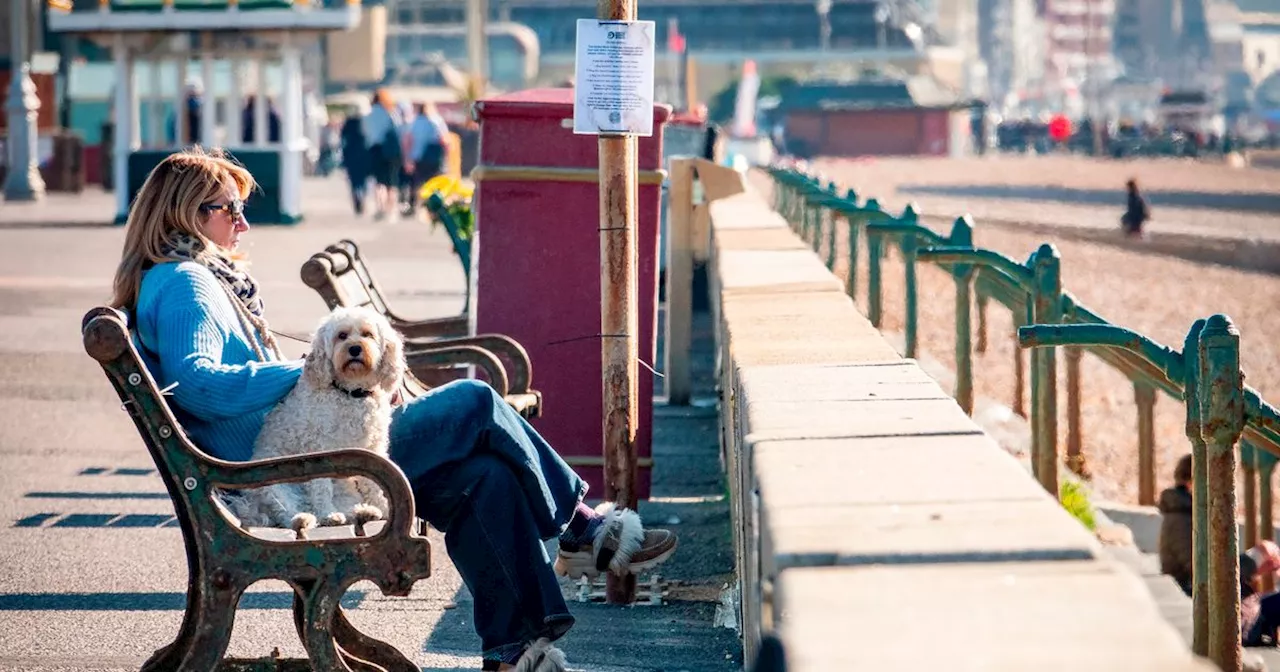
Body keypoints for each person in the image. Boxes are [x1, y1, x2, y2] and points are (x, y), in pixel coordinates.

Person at [109, 148, 678, 671]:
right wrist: (313, 369)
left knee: (485, 477)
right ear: (187, 213)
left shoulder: (185, 278)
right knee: (475, 402)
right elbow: (199, 385)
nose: (242, 222)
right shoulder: (187, 283)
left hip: (313, 452)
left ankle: (514, 652)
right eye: (228, 209)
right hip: (300, 467)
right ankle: (581, 525)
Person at [1158, 453, 1194, 596]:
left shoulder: (1182, 511)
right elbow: (1197, 567)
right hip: (1185, 591)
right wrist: (1251, 562)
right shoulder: (1181, 517)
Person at [364, 90, 402, 221]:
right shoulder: (389, 113)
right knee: (392, 181)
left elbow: (366, 134)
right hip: (390, 150)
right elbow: (398, 130)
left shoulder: (367, 116)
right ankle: (391, 210)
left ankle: (380, 208)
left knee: (379, 181)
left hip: (374, 150)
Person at [406, 101, 449, 214]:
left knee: (417, 182)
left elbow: (410, 139)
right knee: (435, 182)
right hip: (434, 157)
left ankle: (414, 204)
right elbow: (445, 139)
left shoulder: (415, 122)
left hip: (418, 156)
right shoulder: (437, 120)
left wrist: (408, 157)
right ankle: (434, 207)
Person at [340, 110, 371, 216]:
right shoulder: (363, 134)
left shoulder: (347, 135)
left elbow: (343, 146)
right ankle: (362, 199)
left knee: (354, 183)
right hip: (363, 159)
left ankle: (357, 201)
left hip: (351, 160)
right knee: (363, 182)